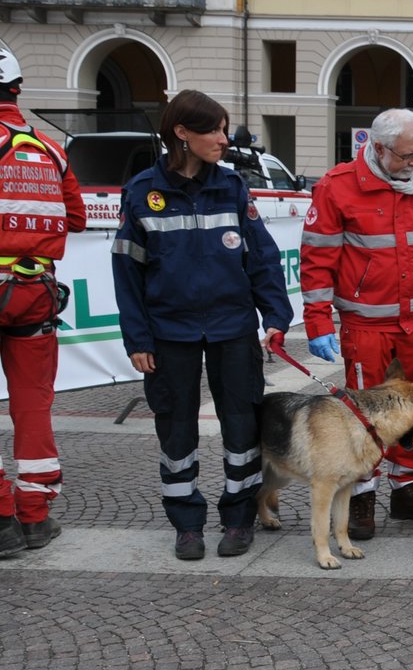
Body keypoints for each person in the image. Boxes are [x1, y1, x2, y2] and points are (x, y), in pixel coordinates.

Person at [111, 91, 292, 561]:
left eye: (223, 128)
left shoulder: (231, 186)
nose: (222, 138)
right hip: (169, 334)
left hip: (232, 328)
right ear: (181, 134)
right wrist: (138, 339)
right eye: (212, 130)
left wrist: (275, 317)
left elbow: (262, 257)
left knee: (242, 427)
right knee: (176, 432)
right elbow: (127, 276)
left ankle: (238, 519)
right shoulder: (141, 193)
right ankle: (187, 524)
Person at [301, 108, 413, 538]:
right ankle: (361, 494)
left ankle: (409, 489)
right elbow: (317, 261)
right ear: (377, 147)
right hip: (365, 326)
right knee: (362, 414)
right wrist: (317, 321)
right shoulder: (337, 187)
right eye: (406, 156)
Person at [0, 48, 85, 557]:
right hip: (33, 294)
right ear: (17, 88)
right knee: (33, 405)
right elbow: (74, 218)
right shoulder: (49, 150)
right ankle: (35, 516)